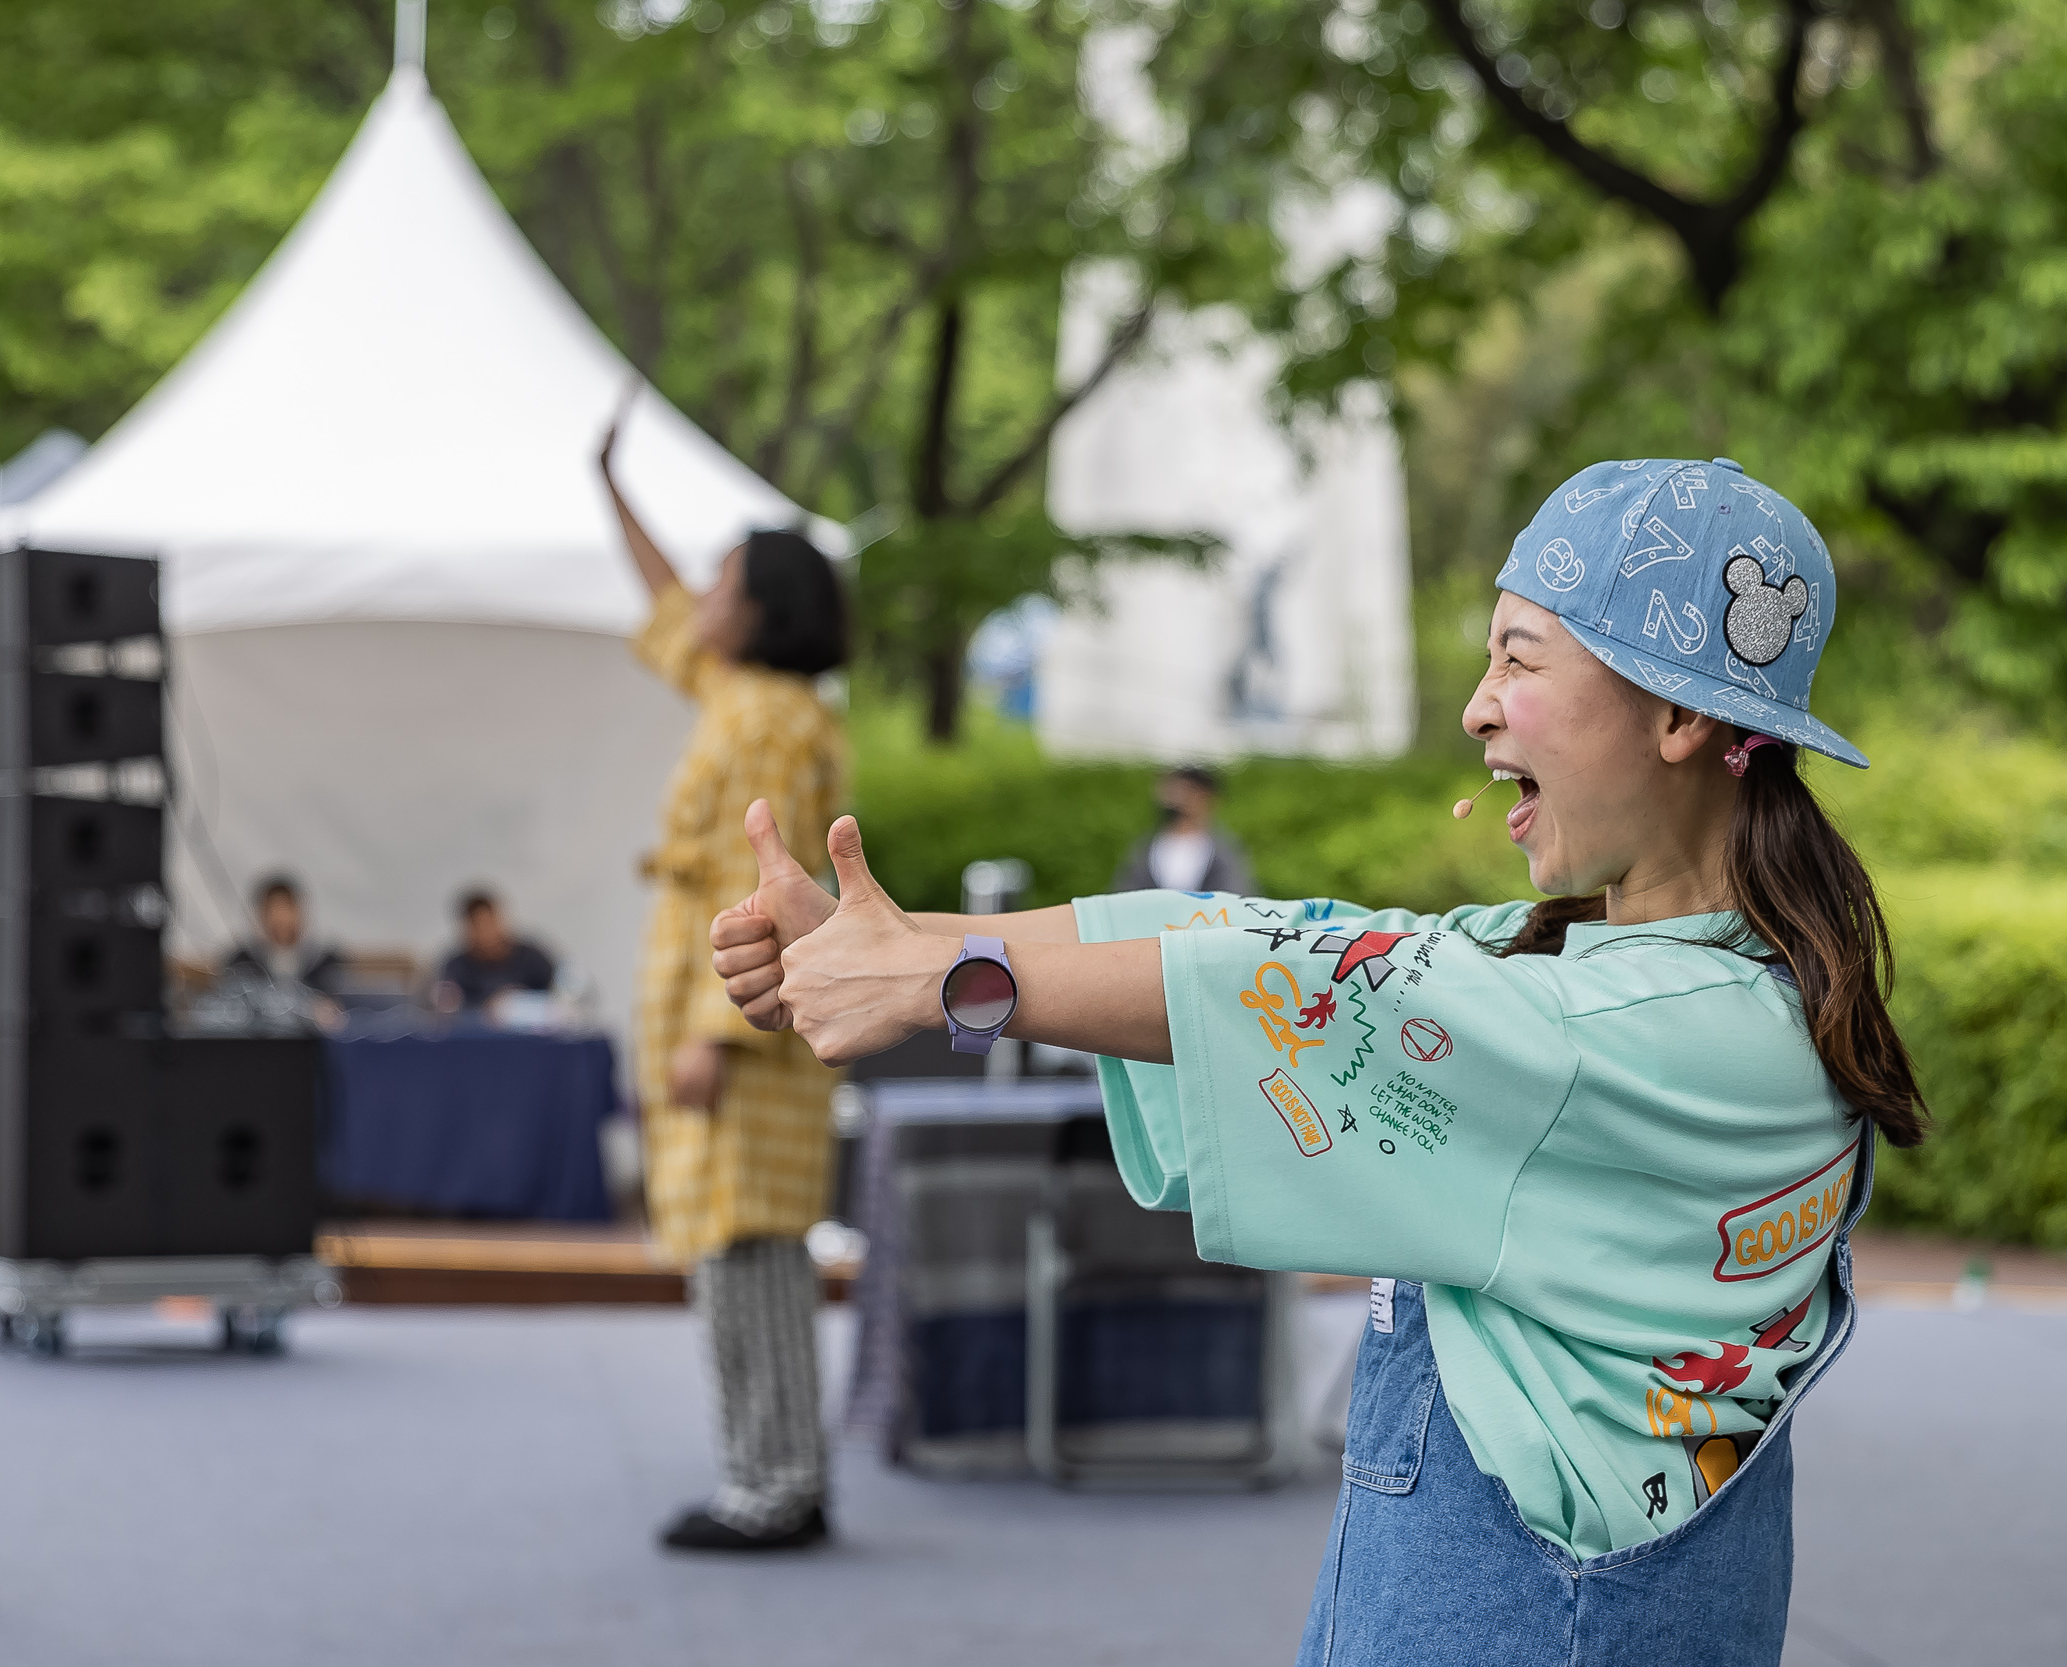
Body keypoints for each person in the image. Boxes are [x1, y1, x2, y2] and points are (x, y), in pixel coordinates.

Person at [712, 458, 1927, 1663]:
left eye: (1519, 655)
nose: (1476, 705)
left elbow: (1279, 986)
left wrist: (939, 983)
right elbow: (1267, 937)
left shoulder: (1599, 1031)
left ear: (1679, 717)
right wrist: (902, 941)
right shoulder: (1688, 985)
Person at [599, 408, 848, 1553]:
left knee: (749, 1250)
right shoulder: (749, 699)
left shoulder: (771, 720)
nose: (701, 588)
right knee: (744, 1247)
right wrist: (609, 483)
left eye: (723, 576)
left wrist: (719, 1027)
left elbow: (768, 879)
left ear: (761, 607)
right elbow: (664, 613)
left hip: (744, 1016)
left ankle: (773, 1482)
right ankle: (774, 1470)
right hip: (733, 1009)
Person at [1110, 765, 1255, 894]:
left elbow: (1237, 897)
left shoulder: (1226, 850)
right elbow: (1125, 893)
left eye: (1194, 788)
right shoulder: (1146, 847)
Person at [431, 889, 557, 1016]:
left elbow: (555, 1001)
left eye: (488, 923)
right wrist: (488, 1009)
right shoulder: (455, 968)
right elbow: (449, 1010)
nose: (485, 933)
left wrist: (516, 1003)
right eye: (477, 925)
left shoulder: (533, 959)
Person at [220, 874, 345, 998]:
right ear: (260, 916)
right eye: (272, 911)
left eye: (286, 909)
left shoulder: (326, 961)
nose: (281, 919)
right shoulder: (243, 961)